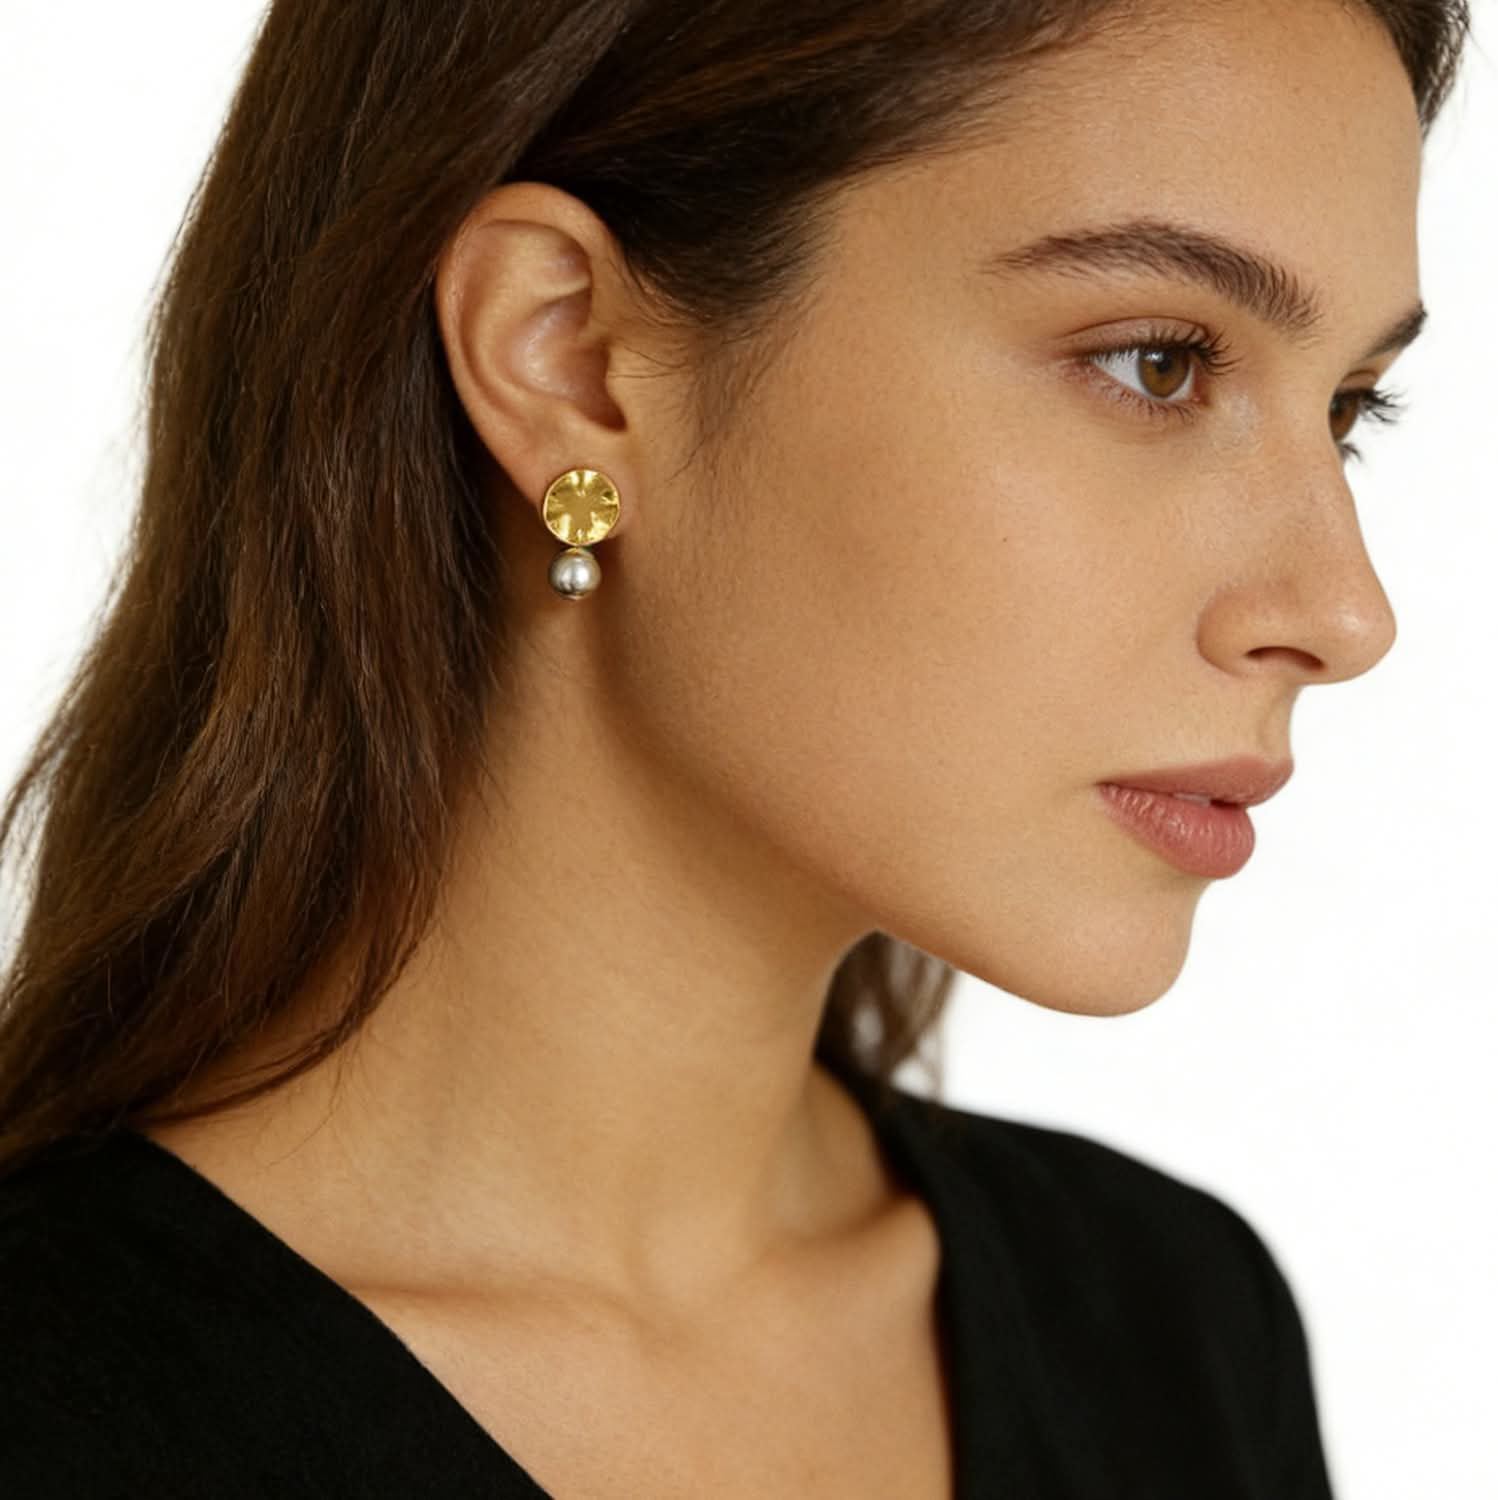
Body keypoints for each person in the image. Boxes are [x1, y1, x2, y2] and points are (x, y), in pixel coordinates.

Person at [0, 0, 1472, 1495]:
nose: (1344, 613)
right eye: (1158, 362)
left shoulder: (1170, 1328)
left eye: (1347, 408)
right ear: (566, 357)